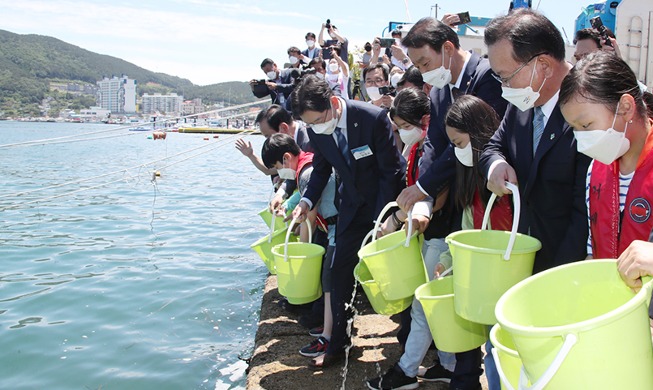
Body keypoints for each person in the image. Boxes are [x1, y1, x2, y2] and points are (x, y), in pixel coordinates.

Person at [478, 9, 592, 389]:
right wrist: (494, 165)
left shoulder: (588, 109)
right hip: (521, 261)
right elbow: (495, 143)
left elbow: (585, 209)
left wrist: (556, 281)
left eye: (506, 74)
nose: (501, 85)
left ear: (542, 64)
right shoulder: (522, 102)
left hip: (564, 268)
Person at [289, 75, 405, 368]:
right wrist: (306, 201)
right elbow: (321, 169)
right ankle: (338, 344)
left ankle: (408, 339)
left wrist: (386, 218)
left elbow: (389, 172)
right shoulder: (316, 129)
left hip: (384, 206)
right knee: (339, 271)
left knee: (394, 273)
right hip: (351, 208)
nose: (316, 127)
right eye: (310, 124)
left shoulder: (371, 118)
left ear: (331, 103)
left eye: (318, 120)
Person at [559, 51, 653, 259]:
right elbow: (593, 242)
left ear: (626, 108)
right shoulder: (596, 168)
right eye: (574, 128)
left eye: (586, 125)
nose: (581, 140)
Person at [261, 133, 338, 358]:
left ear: (286, 158)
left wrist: (303, 254)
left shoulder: (307, 172)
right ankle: (329, 329)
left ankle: (329, 337)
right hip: (335, 226)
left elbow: (309, 217)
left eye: (277, 167)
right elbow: (302, 196)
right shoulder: (308, 162)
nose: (280, 174)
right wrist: (286, 202)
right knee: (330, 282)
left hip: (337, 228)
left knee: (330, 283)